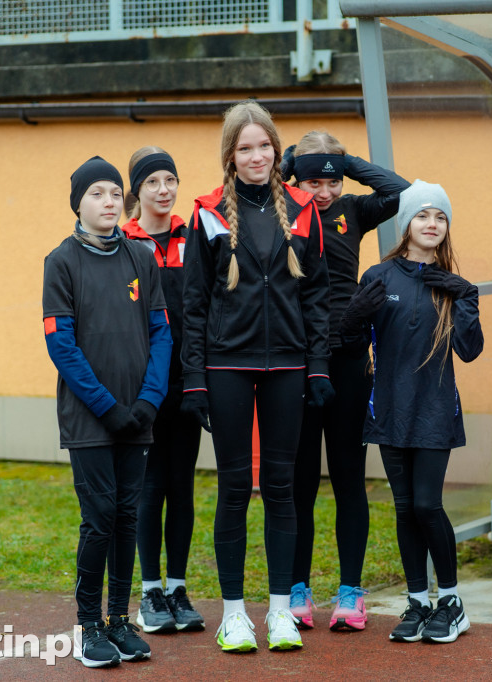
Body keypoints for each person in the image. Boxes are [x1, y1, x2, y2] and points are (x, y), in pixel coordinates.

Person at [180, 100, 333, 653]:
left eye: (264, 145)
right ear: (230, 155)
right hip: (226, 367)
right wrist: (193, 380)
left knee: (283, 488)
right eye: (245, 148)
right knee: (234, 489)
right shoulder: (206, 213)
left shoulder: (302, 207)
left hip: (288, 367)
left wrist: (317, 365)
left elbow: (317, 296)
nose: (256, 156)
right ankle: (234, 615)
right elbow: (193, 305)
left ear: (276, 149)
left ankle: (280, 612)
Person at [43, 156, 172, 667]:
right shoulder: (62, 261)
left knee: (126, 517)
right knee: (98, 521)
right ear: (79, 202)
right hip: (91, 421)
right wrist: (107, 407)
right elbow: (61, 345)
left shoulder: (142, 258)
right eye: (98, 193)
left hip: (138, 417)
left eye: (116, 192)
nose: (110, 201)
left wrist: (147, 401)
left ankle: (119, 620)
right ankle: (88, 627)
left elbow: (162, 332)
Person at [342, 180, 483, 644]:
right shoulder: (379, 277)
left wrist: (467, 299)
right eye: (423, 215)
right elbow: (352, 344)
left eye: (440, 217)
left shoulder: (452, 285)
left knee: (427, 504)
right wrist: (354, 317)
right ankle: (418, 602)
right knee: (405, 510)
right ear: (406, 224)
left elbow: (469, 350)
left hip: (436, 409)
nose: (432, 223)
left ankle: (452, 602)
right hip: (391, 408)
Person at [280, 131, 410, 632]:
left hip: (349, 359)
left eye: (331, 180)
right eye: (313, 180)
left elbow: (401, 192)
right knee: (300, 482)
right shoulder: (286, 211)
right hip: (296, 361)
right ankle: (296, 589)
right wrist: (287, 167)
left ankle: (351, 593)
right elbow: (245, 195)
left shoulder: (352, 210)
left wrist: (346, 163)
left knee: (350, 478)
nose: (324, 191)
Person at [122, 147, 205, 634]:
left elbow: (204, 311)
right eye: (152, 182)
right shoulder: (124, 242)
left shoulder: (193, 238)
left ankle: (177, 587)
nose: (164, 190)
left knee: (182, 484)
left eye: (170, 180)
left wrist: (200, 380)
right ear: (138, 191)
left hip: (187, 384)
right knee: (150, 488)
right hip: (144, 388)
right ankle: (150, 590)